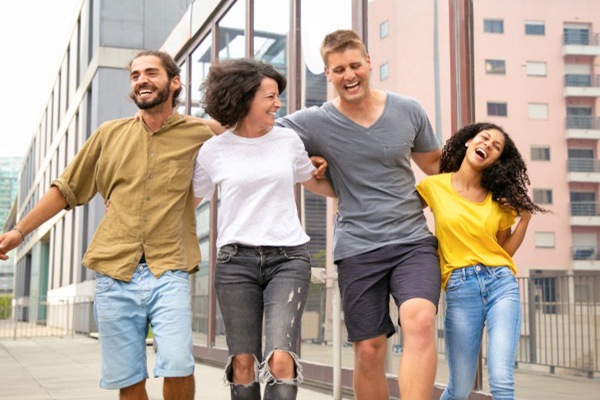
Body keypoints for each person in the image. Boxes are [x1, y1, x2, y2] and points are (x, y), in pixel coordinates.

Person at [0, 50, 213, 400]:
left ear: (174, 82)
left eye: (151, 72)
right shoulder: (108, 134)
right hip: (113, 270)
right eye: (135, 75)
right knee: (127, 379)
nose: (141, 79)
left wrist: (310, 154)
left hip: (169, 267)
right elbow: (65, 189)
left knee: (177, 362)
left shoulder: (199, 132)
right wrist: (19, 231)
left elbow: (248, 137)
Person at [192, 59, 337, 400]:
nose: (278, 104)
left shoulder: (288, 141)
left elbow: (312, 181)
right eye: (270, 96)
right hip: (234, 262)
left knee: (280, 359)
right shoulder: (214, 150)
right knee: (243, 363)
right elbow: (185, 198)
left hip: (288, 258)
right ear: (244, 99)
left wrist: (355, 191)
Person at [416, 122, 545, 400]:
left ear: (498, 159)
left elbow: (503, 249)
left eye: (496, 146)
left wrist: (525, 218)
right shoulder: (434, 186)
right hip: (460, 288)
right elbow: (400, 214)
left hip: (501, 283)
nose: (488, 145)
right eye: (484, 138)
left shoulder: (499, 200)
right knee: (459, 389)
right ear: (468, 142)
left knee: (501, 380)